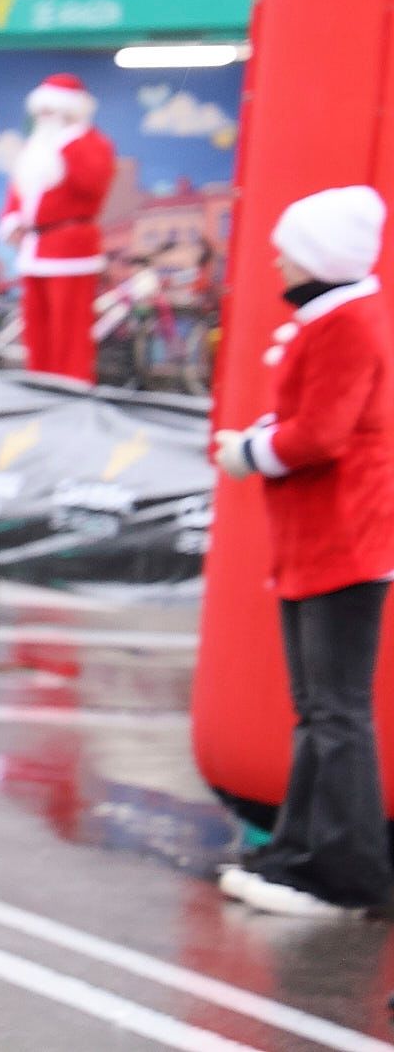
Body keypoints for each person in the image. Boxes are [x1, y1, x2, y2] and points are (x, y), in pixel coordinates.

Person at [214, 186, 394, 918]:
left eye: (289, 248)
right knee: (318, 709)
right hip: (321, 540)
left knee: (336, 712)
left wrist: (249, 451)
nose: (277, 259)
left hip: (344, 541)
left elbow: (319, 434)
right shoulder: (339, 321)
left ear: (320, 259)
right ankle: (301, 850)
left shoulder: (347, 327)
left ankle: (344, 871)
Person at [0, 74, 115, 384]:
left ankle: (71, 384)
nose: (44, 117)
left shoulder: (89, 143)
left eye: (51, 110)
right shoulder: (36, 145)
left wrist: (62, 153)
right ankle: (39, 382)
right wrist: (12, 220)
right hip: (35, 247)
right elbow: (19, 192)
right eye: (41, 111)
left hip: (70, 248)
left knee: (70, 327)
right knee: (37, 325)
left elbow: (92, 185)